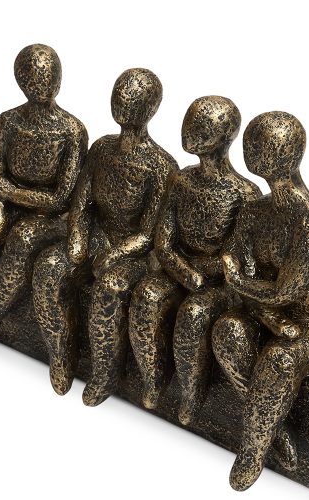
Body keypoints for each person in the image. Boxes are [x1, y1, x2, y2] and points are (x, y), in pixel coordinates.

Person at [212, 111, 309, 491]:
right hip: (266, 310)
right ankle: (274, 427)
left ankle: (253, 450)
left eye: (256, 145)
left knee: (278, 361)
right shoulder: (255, 210)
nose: (249, 150)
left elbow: (288, 291)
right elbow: (234, 253)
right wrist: (242, 281)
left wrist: (239, 280)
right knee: (226, 332)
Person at [33, 68, 178, 403]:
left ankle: (105, 374)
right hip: (98, 235)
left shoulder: (162, 166)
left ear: (150, 109)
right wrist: (78, 241)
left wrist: (114, 256)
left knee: (108, 289)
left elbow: (149, 234)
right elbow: (82, 203)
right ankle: (61, 355)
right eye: (118, 96)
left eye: (132, 101)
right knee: (48, 269)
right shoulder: (101, 149)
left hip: (135, 253)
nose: (123, 105)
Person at [129, 96, 261, 415]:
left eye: (201, 125)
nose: (189, 130)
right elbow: (164, 242)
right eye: (189, 120)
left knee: (193, 314)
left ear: (224, 136)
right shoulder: (181, 180)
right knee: (146, 296)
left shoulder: (244, 194)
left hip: (222, 285)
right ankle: (153, 379)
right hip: (182, 271)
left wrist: (201, 276)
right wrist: (186, 273)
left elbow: (240, 262)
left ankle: (192, 393)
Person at [0, 44, 88, 342]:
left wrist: (9, 192)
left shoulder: (72, 131)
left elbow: (59, 199)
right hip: (10, 205)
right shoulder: (9, 121)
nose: (44, 85)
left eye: (50, 76)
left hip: (50, 216)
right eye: (35, 79)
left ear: (60, 79)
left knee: (23, 236)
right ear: (21, 82)